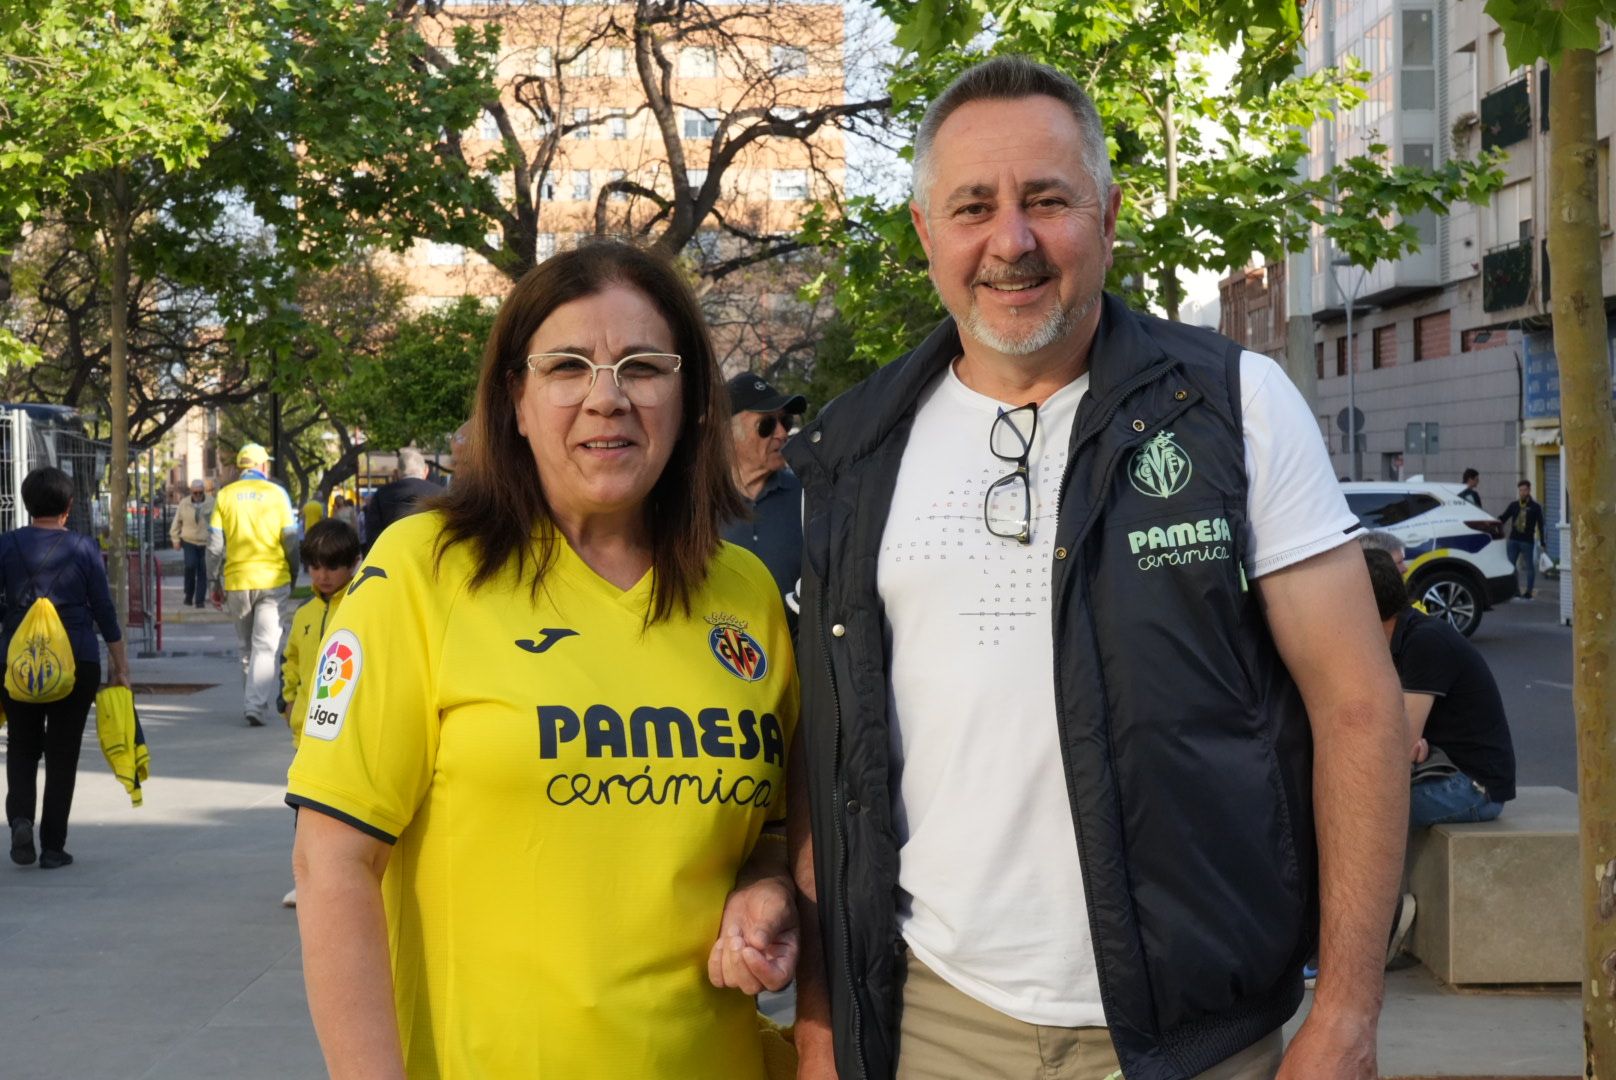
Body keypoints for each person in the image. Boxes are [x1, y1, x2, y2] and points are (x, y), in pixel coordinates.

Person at [785, 57, 1408, 1080]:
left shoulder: (1233, 407)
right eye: (973, 206)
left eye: (1045, 200)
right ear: (924, 234)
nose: (1011, 241)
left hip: (1193, 1031)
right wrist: (820, 1023)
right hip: (932, 1019)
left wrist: (1344, 1009)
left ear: (1108, 214)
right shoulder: (851, 453)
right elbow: (833, 759)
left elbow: (1355, 707)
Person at [286, 241, 800, 1078]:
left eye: (644, 366)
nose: (608, 399)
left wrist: (769, 891)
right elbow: (332, 861)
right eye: (567, 366)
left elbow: (774, 834)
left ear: (692, 398)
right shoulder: (422, 570)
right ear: (516, 402)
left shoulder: (743, 591)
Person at [3, 467, 131, 869]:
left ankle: (21, 817)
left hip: (18, 662)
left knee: (22, 746)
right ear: (69, 507)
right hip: (76, 661)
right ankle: (54, 847)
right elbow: (104, 610)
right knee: (63, 753)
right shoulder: (82, 547)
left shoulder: (6, 546)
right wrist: (121, 665)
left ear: (26, 504)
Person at [1363, 549, 1516, 827]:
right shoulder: (1393, 641)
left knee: (1356, 812)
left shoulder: (1425, 641)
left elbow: (1400, 743)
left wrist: (1405, 744)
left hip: (1472, 787)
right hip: (1437, 769)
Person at [277, 517, 361, 909]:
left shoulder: (362, 607)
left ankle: (342, 879)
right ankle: (306, 879)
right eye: (315, 566)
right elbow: (291, 658)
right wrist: (288, 695)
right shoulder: (306, 614)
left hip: (346, 731)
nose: (323, 575)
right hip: (305, 733)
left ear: (352, 563)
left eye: (332, 566)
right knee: (304, 811)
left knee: (341, 812)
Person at [207, 444, 297, 727]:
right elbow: (291, 539)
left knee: (246, 645)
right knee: (266, 646)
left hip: (237, 580)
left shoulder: (225, 495)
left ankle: (252, 701)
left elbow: (214, 546)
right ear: (263, 467)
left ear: (240, 467)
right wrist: (295, 572)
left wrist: (213, 579)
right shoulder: (277, 494)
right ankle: (255, 704)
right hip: (273, 578)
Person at [721, 373, 807, 604]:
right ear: (729, 434)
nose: (782, 433)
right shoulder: (695, 505)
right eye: (767, 425)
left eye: (786, 422)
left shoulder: (808, 497)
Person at [360, 447, 439, 555]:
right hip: (432, 561)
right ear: (426, 470)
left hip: (394, 561)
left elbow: (373, 538)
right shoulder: (441, 494)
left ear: (396, 473)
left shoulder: (381, 495)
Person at [1497, 479, 1546, 599]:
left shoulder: (1535, 507)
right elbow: (1503, 518)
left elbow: (1540, 525)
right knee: (1511, 566)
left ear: (1529, 490)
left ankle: (1529, 592)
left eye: (1525, 490)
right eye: (1520, 490)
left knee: (1529, 567)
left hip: (1527, 541)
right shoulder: (1514, 505)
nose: (1522, 492)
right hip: (1513, 540)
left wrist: (1543, 541)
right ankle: (1515, 590)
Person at [170, 478, 214, 608]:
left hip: (206, 542)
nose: (198, 496)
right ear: (191, 492)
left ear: (204, 491)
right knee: (190, 566)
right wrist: (175, 539)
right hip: (189, 541)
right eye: (195, 493)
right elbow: (176, 523)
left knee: (203, 571)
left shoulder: (212, 502)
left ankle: (199, 600)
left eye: (200, 493)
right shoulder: (184, 503)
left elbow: (218, 522)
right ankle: (188, 594)